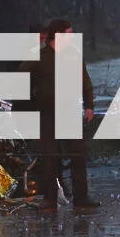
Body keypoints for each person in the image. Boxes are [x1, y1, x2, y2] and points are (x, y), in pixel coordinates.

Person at [32, 19, 101, 212]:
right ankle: (50, 198)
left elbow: (85, 82)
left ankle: (81, 197)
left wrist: (89, 105)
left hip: (69, 111)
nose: (72, 37)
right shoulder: (41, 57)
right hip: (47, 113)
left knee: (78, 154)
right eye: (69, 33)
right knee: (50, 157)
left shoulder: (73, 55)